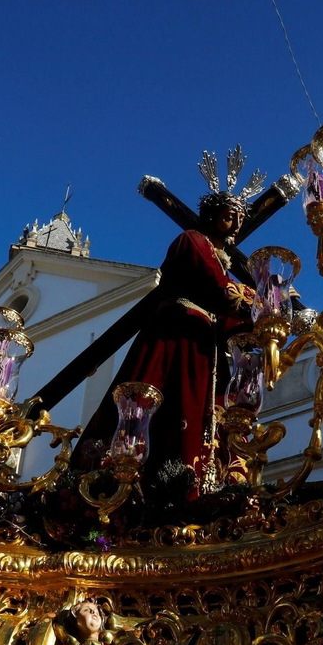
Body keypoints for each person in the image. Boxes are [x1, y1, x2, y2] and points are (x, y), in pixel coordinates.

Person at [77, 189, 257, 489]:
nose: (236, 226)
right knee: (165, 410)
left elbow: (230, 322)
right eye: (229, 218)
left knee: (209, 420)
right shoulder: (192, 241)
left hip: (204, 348)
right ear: (210, 217)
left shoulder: (220, 262)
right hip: (177, 339)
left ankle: (201, 484)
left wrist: (263, 327)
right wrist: (266, 296)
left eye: (240, 219)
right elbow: (219, 289)